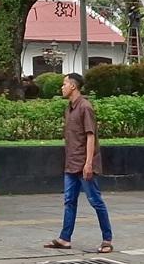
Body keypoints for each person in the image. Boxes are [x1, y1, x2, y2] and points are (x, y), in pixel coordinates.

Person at [45, 72, 113, 253]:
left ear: (73, 86)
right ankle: (65, 238)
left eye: (64, 84)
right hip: (71, 163)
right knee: (69, 201)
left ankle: (107, 239)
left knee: (95, 201)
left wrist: (89, 163)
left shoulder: (85, 107)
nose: (62, 87)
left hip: (83, 163)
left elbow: (90, 136)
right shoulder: (69, 108)